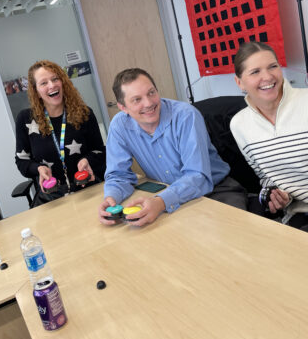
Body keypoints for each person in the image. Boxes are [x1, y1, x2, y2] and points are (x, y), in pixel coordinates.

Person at [98, 68, 248, 227]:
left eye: (151, 93)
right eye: (137, 99)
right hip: (167, 193)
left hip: (215, 191)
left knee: (230, 235)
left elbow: (198, 176)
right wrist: (111, 198)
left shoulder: (186, 116)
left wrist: (161, 202)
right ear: (123, 107)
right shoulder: (119, 125)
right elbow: (119, 175)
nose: (148, 103)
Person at [230, 41, 308, 228]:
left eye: (273, 66)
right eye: (255, 72)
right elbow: (266, 177)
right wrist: (278, 197)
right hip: (298, 215)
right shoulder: (239, 125)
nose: (267, 77)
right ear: (239, 82)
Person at [15, 60, 106, 206]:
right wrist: (38, 168)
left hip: (87, 190)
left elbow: (100, 151)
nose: (52, 85)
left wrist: (87, 160)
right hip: (51, 198)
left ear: (63, 82)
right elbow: (22, 160)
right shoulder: (25, 119)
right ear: (36, 91)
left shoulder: (84, 113)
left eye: (55, 79)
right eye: (43, 83)